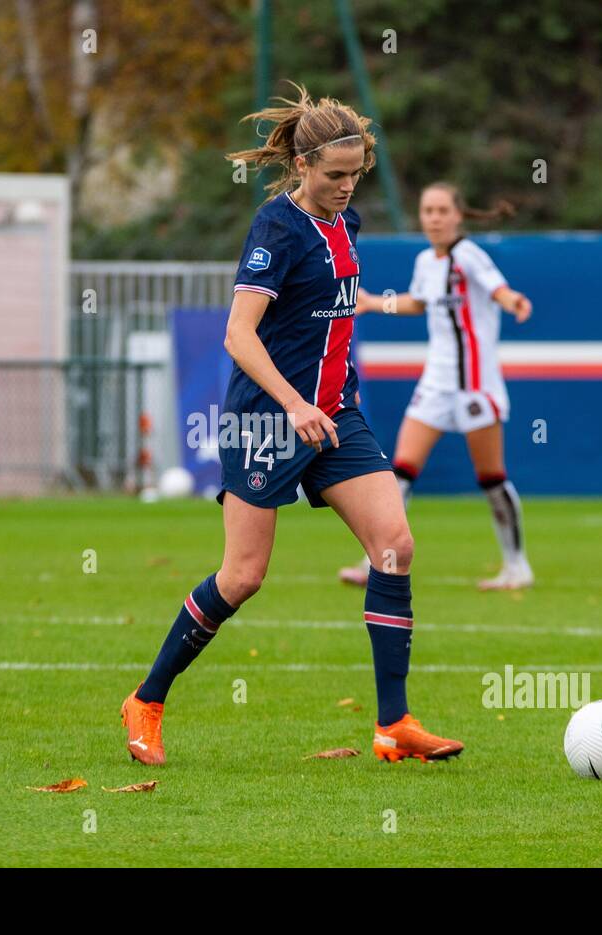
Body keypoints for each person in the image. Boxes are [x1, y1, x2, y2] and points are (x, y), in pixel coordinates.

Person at [120, 83, 465, 766]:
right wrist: (293, 405)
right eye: (335, 175)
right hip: (268, 422)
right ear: (302, 165)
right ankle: (147, 698)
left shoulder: (348, 222)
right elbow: (238, 335)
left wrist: (386, 304)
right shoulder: (275, 227)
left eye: (355, 173)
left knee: (393, 543)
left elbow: (336, 294)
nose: (346, 186)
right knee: (243, 575)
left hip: (336, 414)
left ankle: (393, 723)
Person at [339, 183, 534, 591]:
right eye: (428, 210)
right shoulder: (427, 260)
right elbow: (418, 302)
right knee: (400, 471)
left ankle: (517, 566)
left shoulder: (469, 256)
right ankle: (378, 560)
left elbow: (498, 288)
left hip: (476, 384)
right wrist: (376, 303)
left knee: (491, 478)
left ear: (458, 215)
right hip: (436, 381)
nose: (434, 218)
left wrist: (514, 300)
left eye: (442, 210)